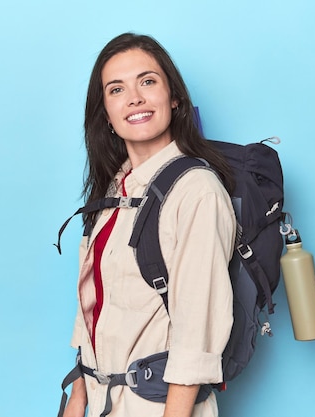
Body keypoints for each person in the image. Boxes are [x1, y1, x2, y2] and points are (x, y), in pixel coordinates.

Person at [62, 33, 236, 417]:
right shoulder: (113, 190)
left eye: (148, 81)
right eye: (117, 89)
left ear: (174, 97)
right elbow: (95, 306)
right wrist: (77, 399)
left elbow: (197, 334)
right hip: (103, 402)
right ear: (105, 113)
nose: (135, 98)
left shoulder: (197, 191)